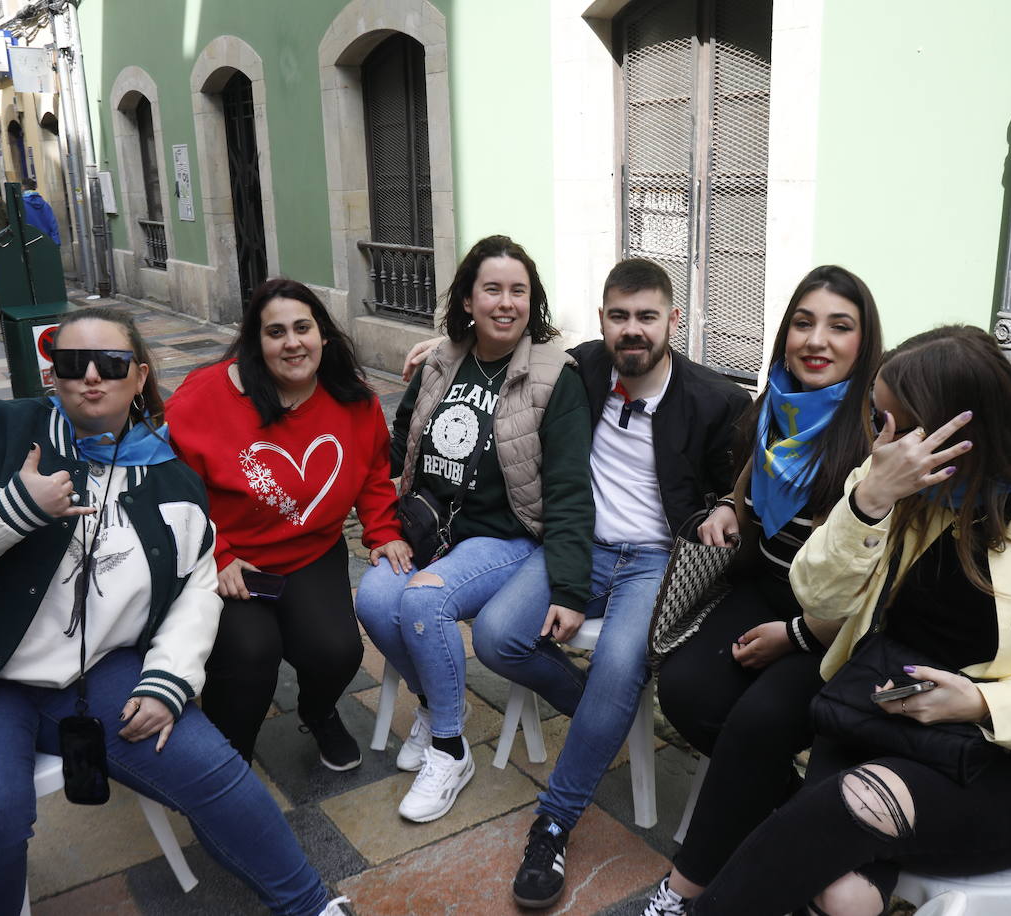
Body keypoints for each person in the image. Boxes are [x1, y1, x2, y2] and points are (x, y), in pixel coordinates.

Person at [0, 306, 353, 916]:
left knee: (216, 770)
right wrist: (11, 508)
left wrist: (169, 680)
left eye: (112, 363)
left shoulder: (168, 476)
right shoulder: (2, 432)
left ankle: (313, 906)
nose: (92, 376)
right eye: (73, 364)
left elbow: (197, 586)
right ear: (53, 376)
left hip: (92, 672)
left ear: (140, 378)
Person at [684, 325, 1011, 916]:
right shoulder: (892, 478)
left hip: (1008, 760)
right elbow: (816, 596)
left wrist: (983, 705)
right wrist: (868, 503)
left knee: (849, 810)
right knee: (842, 893)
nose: (886, 443)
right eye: (879, 422)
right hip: (876, 713)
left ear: (964, 429)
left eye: (901, 427)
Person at [465, 258, 749, 908]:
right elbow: (505, 344)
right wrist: (447, 349)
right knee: (497, 635)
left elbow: (745, 475)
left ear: (672, 321)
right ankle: (606, 713)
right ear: (601, 320)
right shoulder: (586, 366)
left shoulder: (715, 400)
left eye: (647, 317)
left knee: (621, 660)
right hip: (580, 549)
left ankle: (554, 822)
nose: (632, 331)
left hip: (655, 562)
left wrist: (730, 508)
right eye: (619, 316)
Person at [643, 265, 885, 915]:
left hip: (831, 626)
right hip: (764, 587)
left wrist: (796, 637)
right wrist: (727, 506)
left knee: (758, 719)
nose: (817, 340)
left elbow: (874, 592)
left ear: (865, 343)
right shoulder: (776, 402)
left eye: (840, 326)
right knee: (686, 691)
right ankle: (793, 815)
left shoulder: (875, 435)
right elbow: (749, 481)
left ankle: (684, 889)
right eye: (804, 323)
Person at [355, 234, 593, 824]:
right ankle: (440, 709)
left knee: (424, 600)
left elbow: (567, 489)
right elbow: (397, 444)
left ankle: (449, 748)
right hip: (431, 530)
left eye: (519, 290)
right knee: (376, 596)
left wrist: (567, 585)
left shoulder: (553, 375)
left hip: (505, 538)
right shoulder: (443, 360)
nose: (506, 302)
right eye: (492, 289)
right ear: (468, 299)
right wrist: (379, 523)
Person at [165, 277, 409, 768]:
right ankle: (227, 762)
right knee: (252, 655)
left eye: (303, 328)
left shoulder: (354, 400)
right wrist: (217, 553)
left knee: (337, 652)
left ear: (324, 336)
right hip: (231, 560)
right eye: (275, 332)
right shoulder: (205, 398)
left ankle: (317, 712)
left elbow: (373, 474)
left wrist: (383, 531)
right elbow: (172, 489)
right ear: (257, 343)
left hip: (311, 552)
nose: (292, 342)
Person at [20, 177, 62, 246]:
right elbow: (52, 224)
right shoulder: (44, 204)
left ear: (23, 187)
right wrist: (56, 242)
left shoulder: (21, 205)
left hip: (30, 242)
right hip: (45, 240)